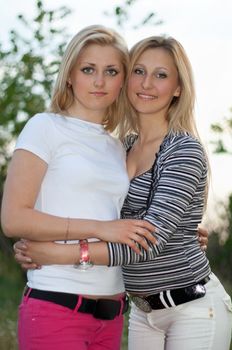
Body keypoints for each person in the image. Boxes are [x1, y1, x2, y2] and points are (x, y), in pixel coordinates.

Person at [11, 34, 231, 349]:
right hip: (142, 314)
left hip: (192, 306)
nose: (147, 84)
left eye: (161, 75)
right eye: (139, 71)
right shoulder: (120, 148)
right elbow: (108, 212)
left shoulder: (182, 149)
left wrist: (61, 252)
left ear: (178, 88)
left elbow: (148, 240)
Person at [1, 25, 159, 350]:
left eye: (111, 71)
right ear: (71, 74)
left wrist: (185, 231)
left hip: (112, 314)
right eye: (89, 69)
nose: (99, 81)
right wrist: (103, 229)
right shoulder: (44, 127)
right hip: (56, 307)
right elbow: (13, 219)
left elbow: (130, 219)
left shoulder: (119, 148)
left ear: (122, 81)